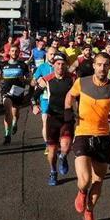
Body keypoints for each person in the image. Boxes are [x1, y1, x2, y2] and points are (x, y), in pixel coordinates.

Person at [66, 52, 110, 220]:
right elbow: (70, 96)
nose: (102, 68)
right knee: (85, 179)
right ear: (94, 65)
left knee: (98, 179)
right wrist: (68, 111)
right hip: (83, 134)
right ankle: (82, 192)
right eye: (99, 64)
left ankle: (89, 212)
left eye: (106, 65)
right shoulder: (82, 82)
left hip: (102, 138)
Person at [32, 54, 74, 186]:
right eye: (58, 64)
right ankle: (53, 172)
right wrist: (34, 105)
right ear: (54, 65)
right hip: (52, 116)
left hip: (67, 116)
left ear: (66, 65)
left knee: (66, 146)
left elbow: (80, 96)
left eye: (63, 64)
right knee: (52, 150)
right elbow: (33, 96)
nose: (60, 67)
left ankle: (63, 157)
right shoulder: (47, 79)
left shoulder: (72, 79)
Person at [0, 45, 30, 145]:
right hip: (6, 91)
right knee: (7, 111)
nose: (14, 53)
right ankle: (7, 134)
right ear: (9, 52)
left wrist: (25, 80)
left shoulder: (23, 65)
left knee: (15, 113)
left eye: (16, 51)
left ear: (19, 53)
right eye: (12, 51)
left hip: (18, 90)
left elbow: (30, 79)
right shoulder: (3, 64)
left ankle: (14, 123)